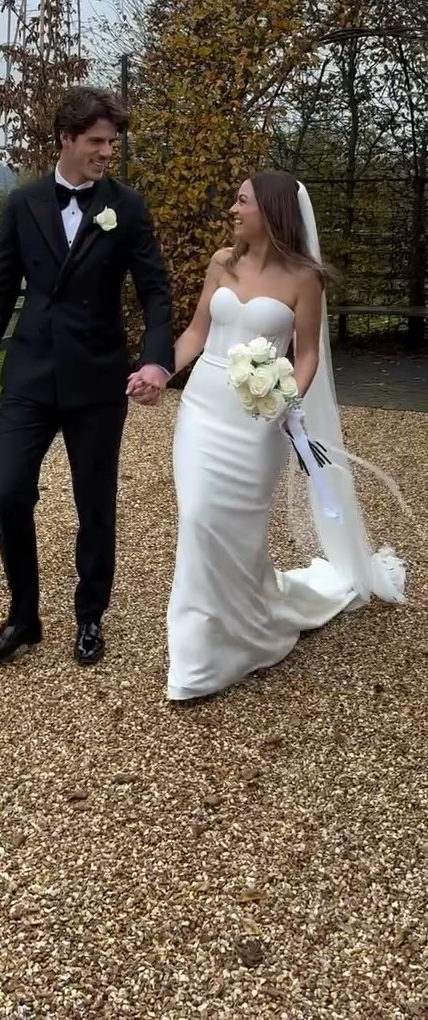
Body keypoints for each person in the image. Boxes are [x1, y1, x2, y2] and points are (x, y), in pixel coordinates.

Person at [167, 172, 405, 701]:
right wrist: (161, 371)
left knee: (240, 531)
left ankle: (255, 624)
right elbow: (196, 333)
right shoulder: (220, 264)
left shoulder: (305, 277)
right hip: (203, 410)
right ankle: (198, 658)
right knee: (198, 516)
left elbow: (308, 355)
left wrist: (285, 402)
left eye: (241, 200)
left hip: (260, 423)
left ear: (271, 212)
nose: (232, 207)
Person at [0, 85, 173, 665]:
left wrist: (156, 359)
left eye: (112, 142)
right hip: (30, 376)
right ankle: (23, 618)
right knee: (7, 496)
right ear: (66, 139)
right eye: (97, 141)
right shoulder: (23, 203)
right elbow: (0, 290)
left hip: (98, 380)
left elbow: (155, 292)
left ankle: (90, 616)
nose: (107, 151)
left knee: (95, 504)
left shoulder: (126, 207)